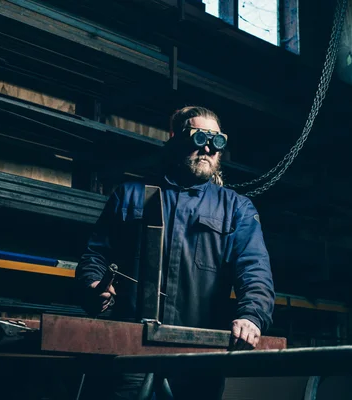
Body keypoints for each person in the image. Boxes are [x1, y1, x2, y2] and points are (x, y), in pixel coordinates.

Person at [76, 105, 275, 399]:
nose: (208, 148)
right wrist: (93, 284)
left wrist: (251, 316)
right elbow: (95, 257)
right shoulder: (130, 194)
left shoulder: (236, 208)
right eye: (199, 138)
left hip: (197, 359)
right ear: (175, 139)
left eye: (217, 141)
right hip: (130, 354)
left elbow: (255, 271)